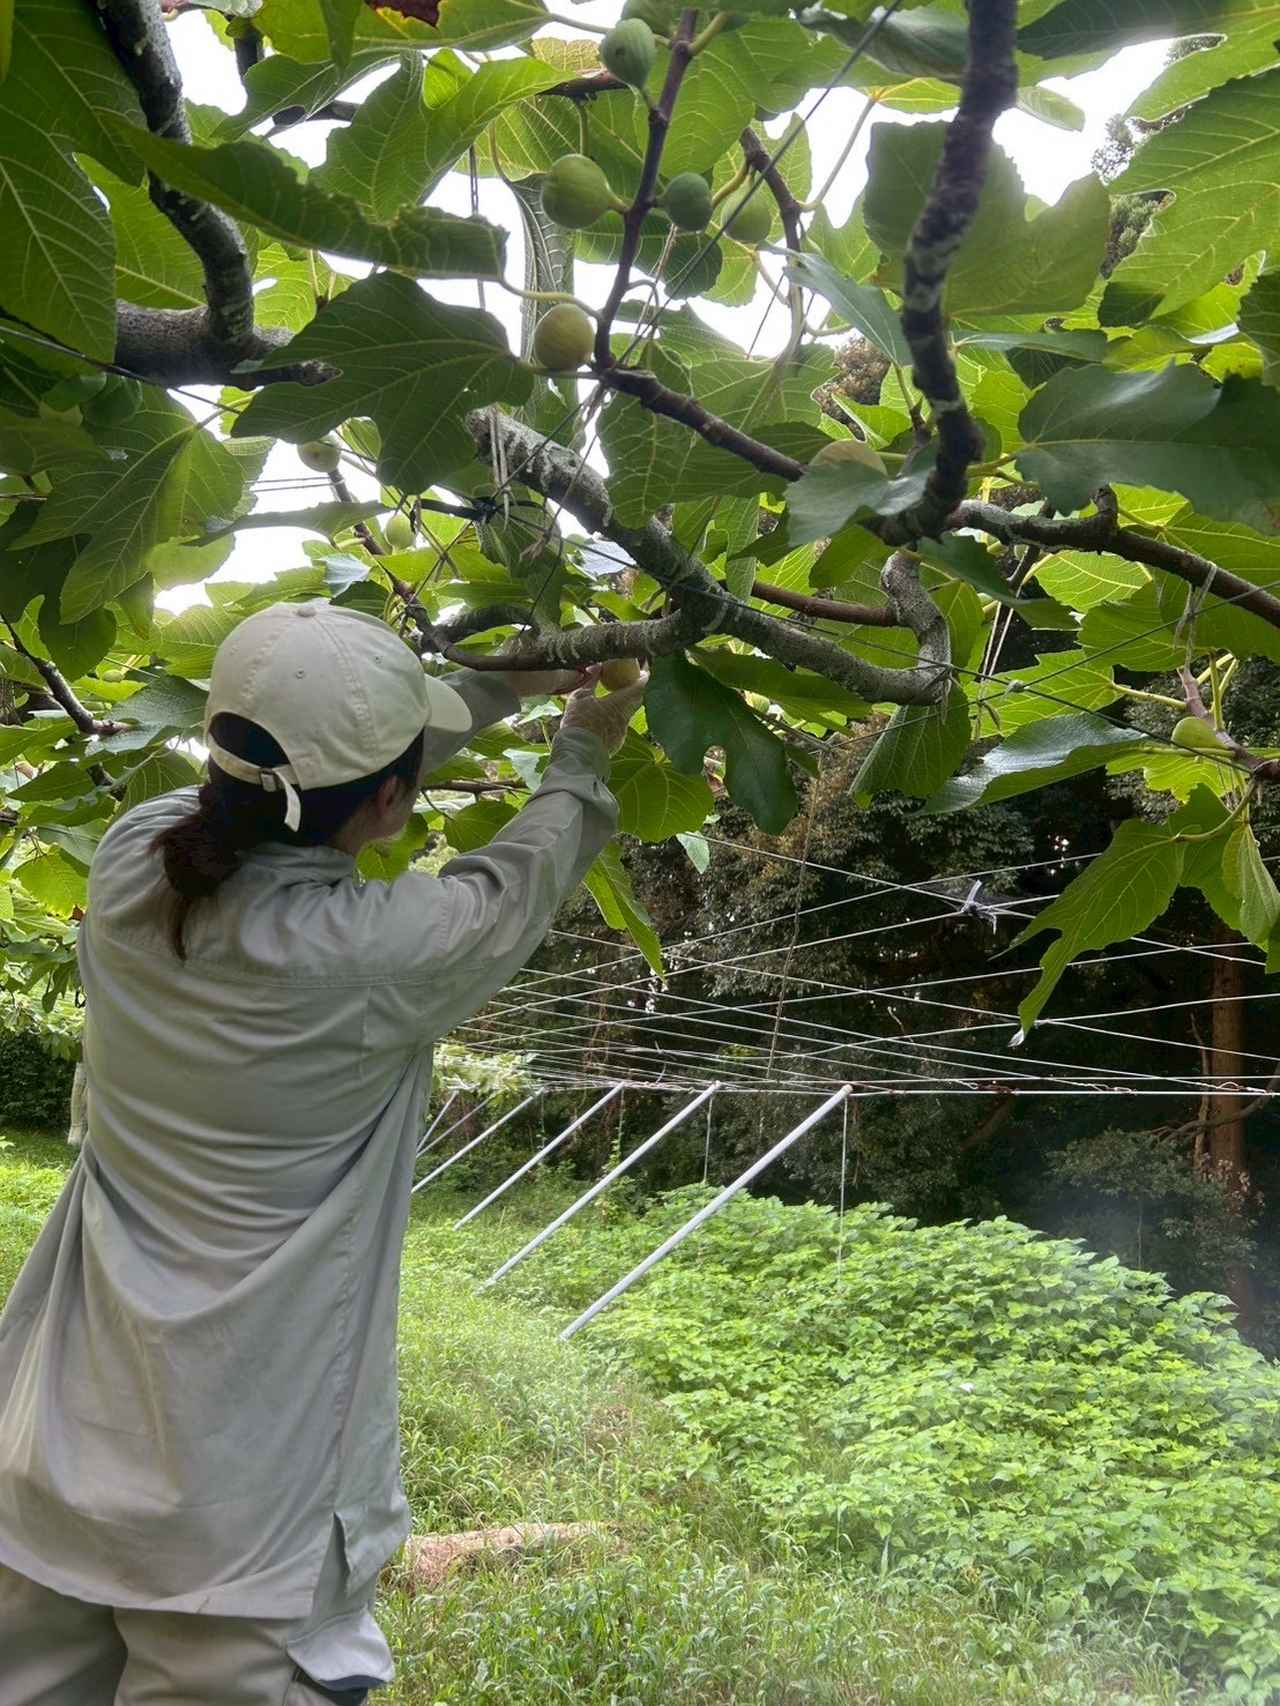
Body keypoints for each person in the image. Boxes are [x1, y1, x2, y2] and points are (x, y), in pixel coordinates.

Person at [0, 600, 646, 1705]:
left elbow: (315, 777)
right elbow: (526, 872)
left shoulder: (129, 863)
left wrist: (495, 684)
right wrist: (582, 738)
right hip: (243, 1520)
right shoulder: (379, 953)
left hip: (54, 1454)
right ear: (391, 801)